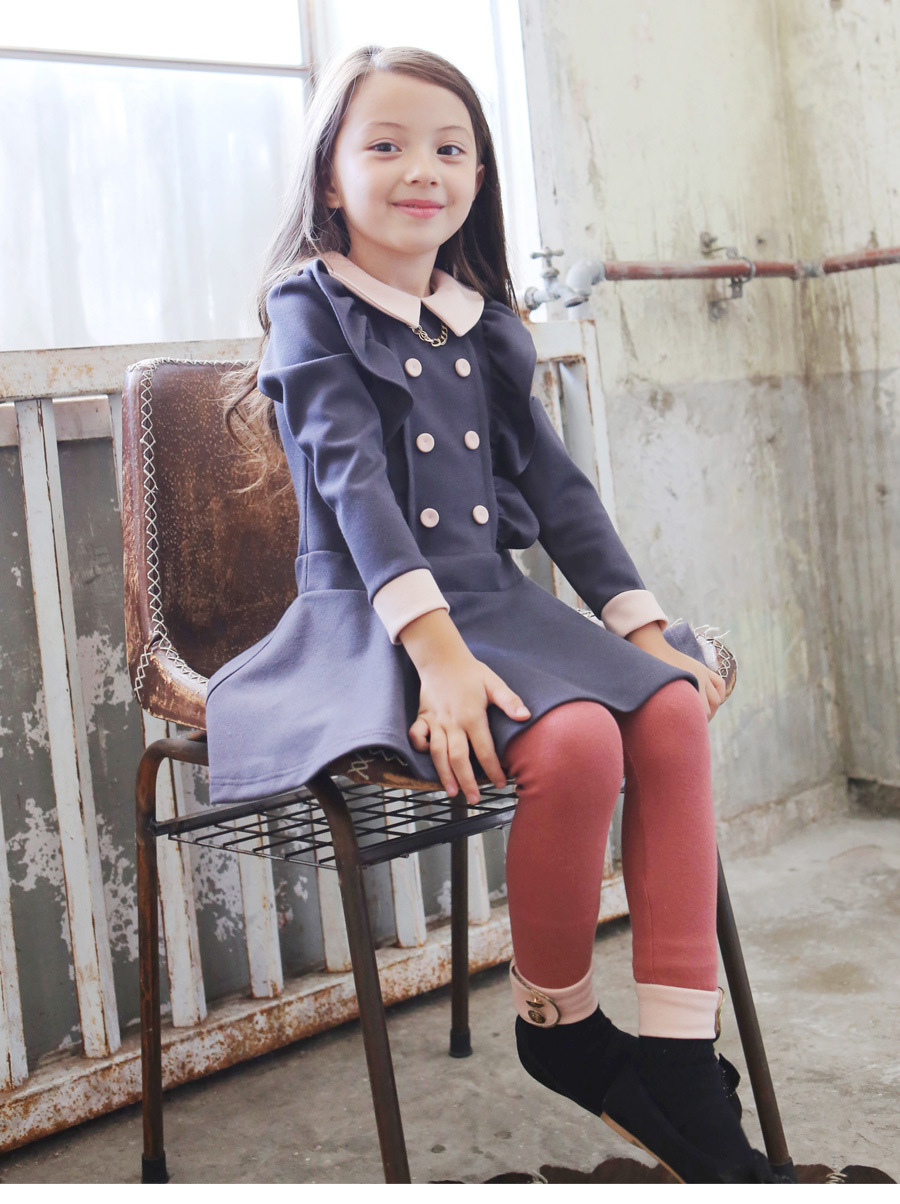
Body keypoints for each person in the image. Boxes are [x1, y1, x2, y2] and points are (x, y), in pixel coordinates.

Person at [206, 44, 779, 1184]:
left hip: (496, 602)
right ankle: (560, 1025)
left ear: (479, 177)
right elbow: (354, 488)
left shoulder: (483, 322)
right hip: (378, 620)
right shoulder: (309, 306)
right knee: (576, 742)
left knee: (669, 708)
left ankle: (677, 1055)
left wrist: (641, 627)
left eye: (450, 147)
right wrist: (438, 657)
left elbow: (559, 492)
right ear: (329, 179)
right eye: (386, 145)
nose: (422, 168)